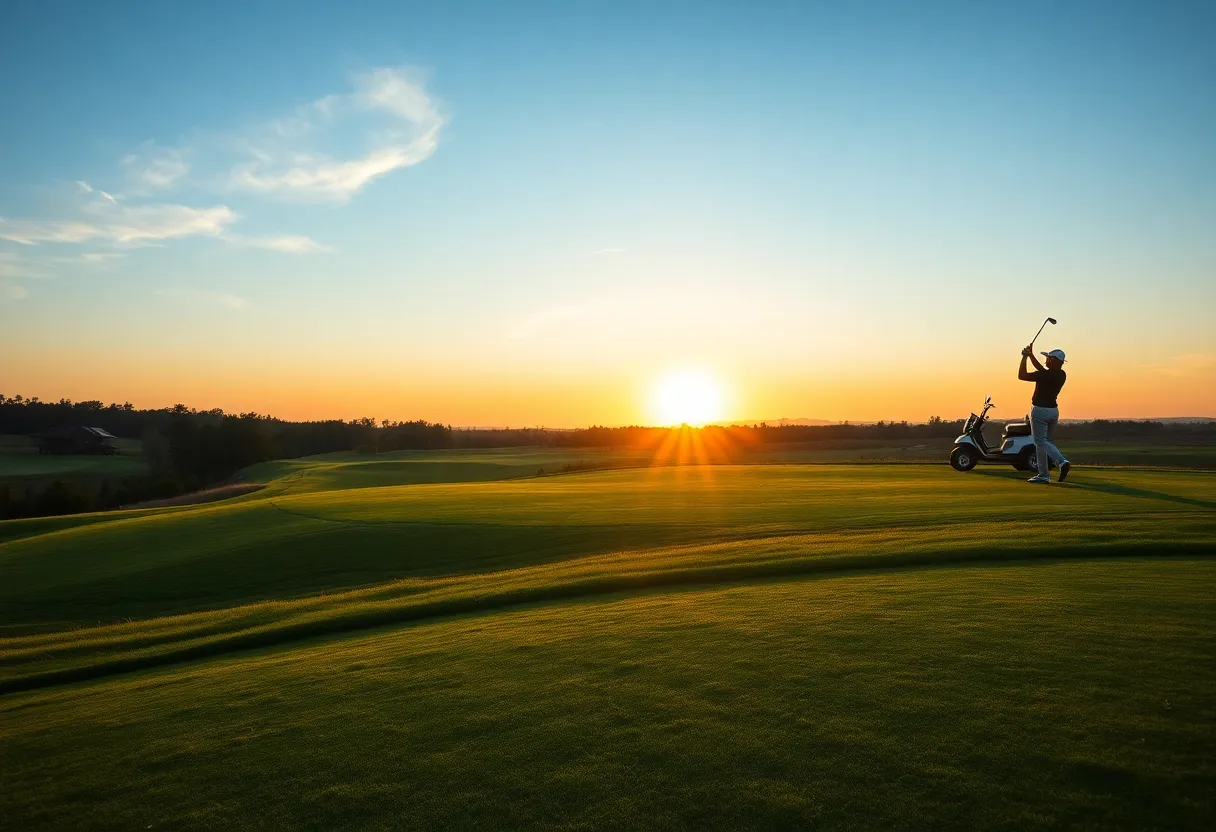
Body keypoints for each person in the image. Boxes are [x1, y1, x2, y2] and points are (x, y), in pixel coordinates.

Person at [1018, 346, 1071, 483]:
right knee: (1045, 443)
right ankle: (1043, 475)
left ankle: (1062, 462)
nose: (1046, 360)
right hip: (1054, 411)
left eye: (1048, 358)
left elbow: (1021, 375)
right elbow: (1042, 370)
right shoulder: (1061, 374)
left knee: (1039, 441)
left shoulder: (1045, 375)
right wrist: (1030, 355)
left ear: (1054, 361)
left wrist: (1025, 357)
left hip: (1040, 411)